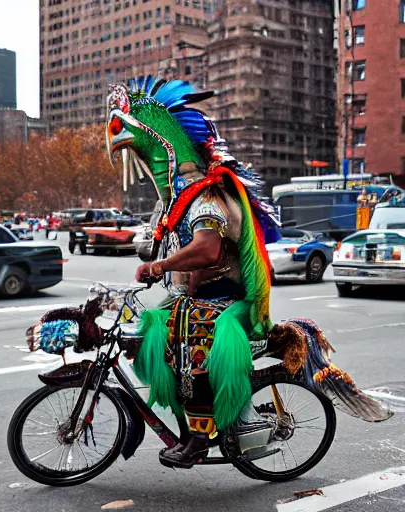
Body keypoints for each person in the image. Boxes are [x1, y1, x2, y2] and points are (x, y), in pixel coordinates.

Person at [106, 78, 280, 468]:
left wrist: (161, 264)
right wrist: (155, 263)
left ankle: (201, 438)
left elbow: (207, 249)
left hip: (226, 299)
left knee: (191, 335)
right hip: (197, 294)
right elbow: (163, 248)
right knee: (151, 331)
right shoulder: (175, 202)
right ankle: (187, 426)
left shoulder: (206, 195)